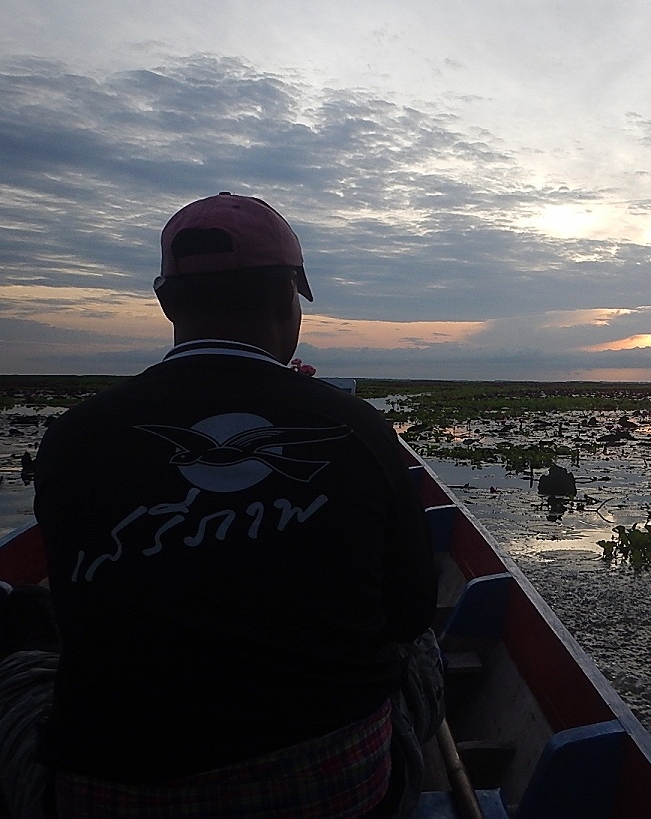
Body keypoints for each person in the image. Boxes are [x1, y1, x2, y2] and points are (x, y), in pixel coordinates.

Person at [3, 193, 441, 818]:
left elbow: (80, 618)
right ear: (290, 298)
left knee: (22, 670)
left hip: (114, 797)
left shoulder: (76, 436)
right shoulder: (357, 429)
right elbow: (410, 613)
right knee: (421, 649)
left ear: (166, 302)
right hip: (337, 793)